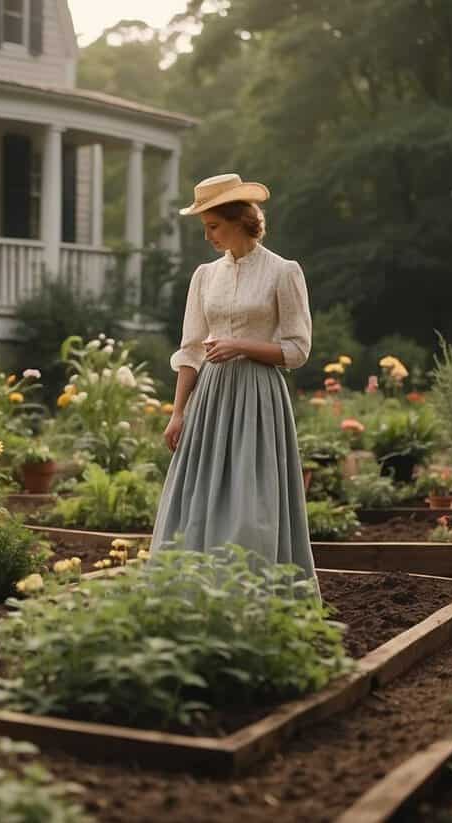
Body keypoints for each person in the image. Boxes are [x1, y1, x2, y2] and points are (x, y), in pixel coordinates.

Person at [151, 173, 316, 578]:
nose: (208, 237)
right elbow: (191, 349)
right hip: (211, 397)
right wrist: (177, 412)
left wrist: (241, 347)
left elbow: (297, 350)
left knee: (251, 499)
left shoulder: (283, 272)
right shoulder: (205, 276)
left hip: (259, 398)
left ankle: (254, 587)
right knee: (197, 495)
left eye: (214, 226)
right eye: (205, 228)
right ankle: (194, 587)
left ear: (241, 219)